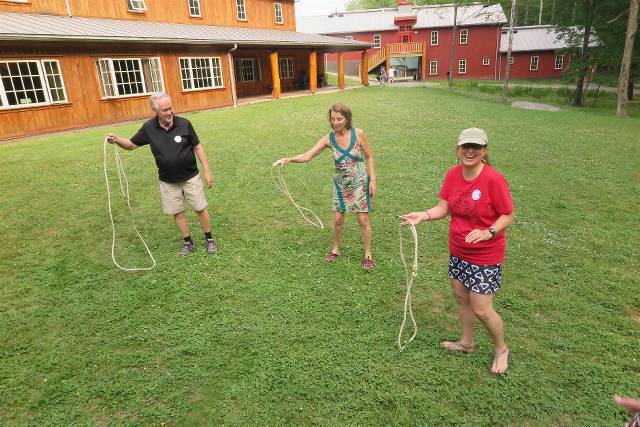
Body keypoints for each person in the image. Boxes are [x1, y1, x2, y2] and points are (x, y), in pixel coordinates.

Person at [401, 128, 515, 375]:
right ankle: (467, 342)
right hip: (459, 251)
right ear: (458, 149)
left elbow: (508, 214)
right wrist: (423, 215)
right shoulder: (453, 175)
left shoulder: (493, 179)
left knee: (482, 308)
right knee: (462, 299)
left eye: (476, 146)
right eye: (466, 146)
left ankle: (501, 348)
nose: (470, 151)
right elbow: (443, 207)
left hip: (486, 255)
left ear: (485, 150)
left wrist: (489, 232)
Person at [106, 92, 217, 256]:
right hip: (168, 181)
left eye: (170, 108)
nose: (169, 112)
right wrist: (116, 140)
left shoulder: (184, 124)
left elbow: (198, 147)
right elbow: (130, 145)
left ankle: (209, 239)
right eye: (165, 110)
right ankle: (188, 242)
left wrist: (207, 171)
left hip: (190, 177)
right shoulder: (149, 128)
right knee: (177, 212)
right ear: (155, 110)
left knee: (200, 208)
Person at [277, 103, 376, 270]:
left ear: (347, 118)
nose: (336, 122)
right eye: (332, 119)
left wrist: (372, 180)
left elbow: (369, 157)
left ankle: (368, 254)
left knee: (363, 219)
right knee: (338, 219)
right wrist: (289, 159)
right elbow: (308, 155)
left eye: (339, 119)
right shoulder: (329, 138)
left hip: (360, 183)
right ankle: (335, 249)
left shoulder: (358, 134)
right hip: (342, 184)